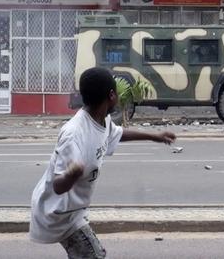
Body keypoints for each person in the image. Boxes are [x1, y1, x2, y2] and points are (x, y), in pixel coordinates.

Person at [29, 67, 176, 258]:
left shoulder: (102, 120)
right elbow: (58, 186)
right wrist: (71, 174)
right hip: (58, 212)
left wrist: (154, 136)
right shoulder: (74, 134)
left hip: (74, 209)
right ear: (112, 95)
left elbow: (118, 133)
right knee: (94, 255)